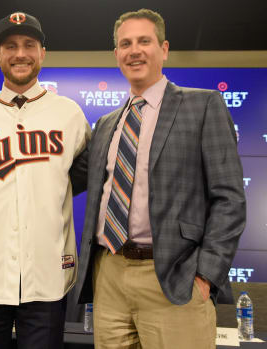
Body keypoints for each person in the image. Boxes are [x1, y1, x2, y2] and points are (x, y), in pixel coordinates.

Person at [73, 8, 246, 349]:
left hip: (174, 280)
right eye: (125, 43)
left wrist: (205, 275)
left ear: (163, 49)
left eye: (144, 41)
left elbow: (230, 199)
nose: (134, 50)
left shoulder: (203, 106)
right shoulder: (107, 124)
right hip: (109, 275)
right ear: (116, 54)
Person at [0, 11, 91, 349]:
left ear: (42, 52)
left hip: (47, 278)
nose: (20, 54)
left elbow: (82, 177)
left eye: (29, 44)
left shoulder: (70, 114)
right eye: (11, 46)